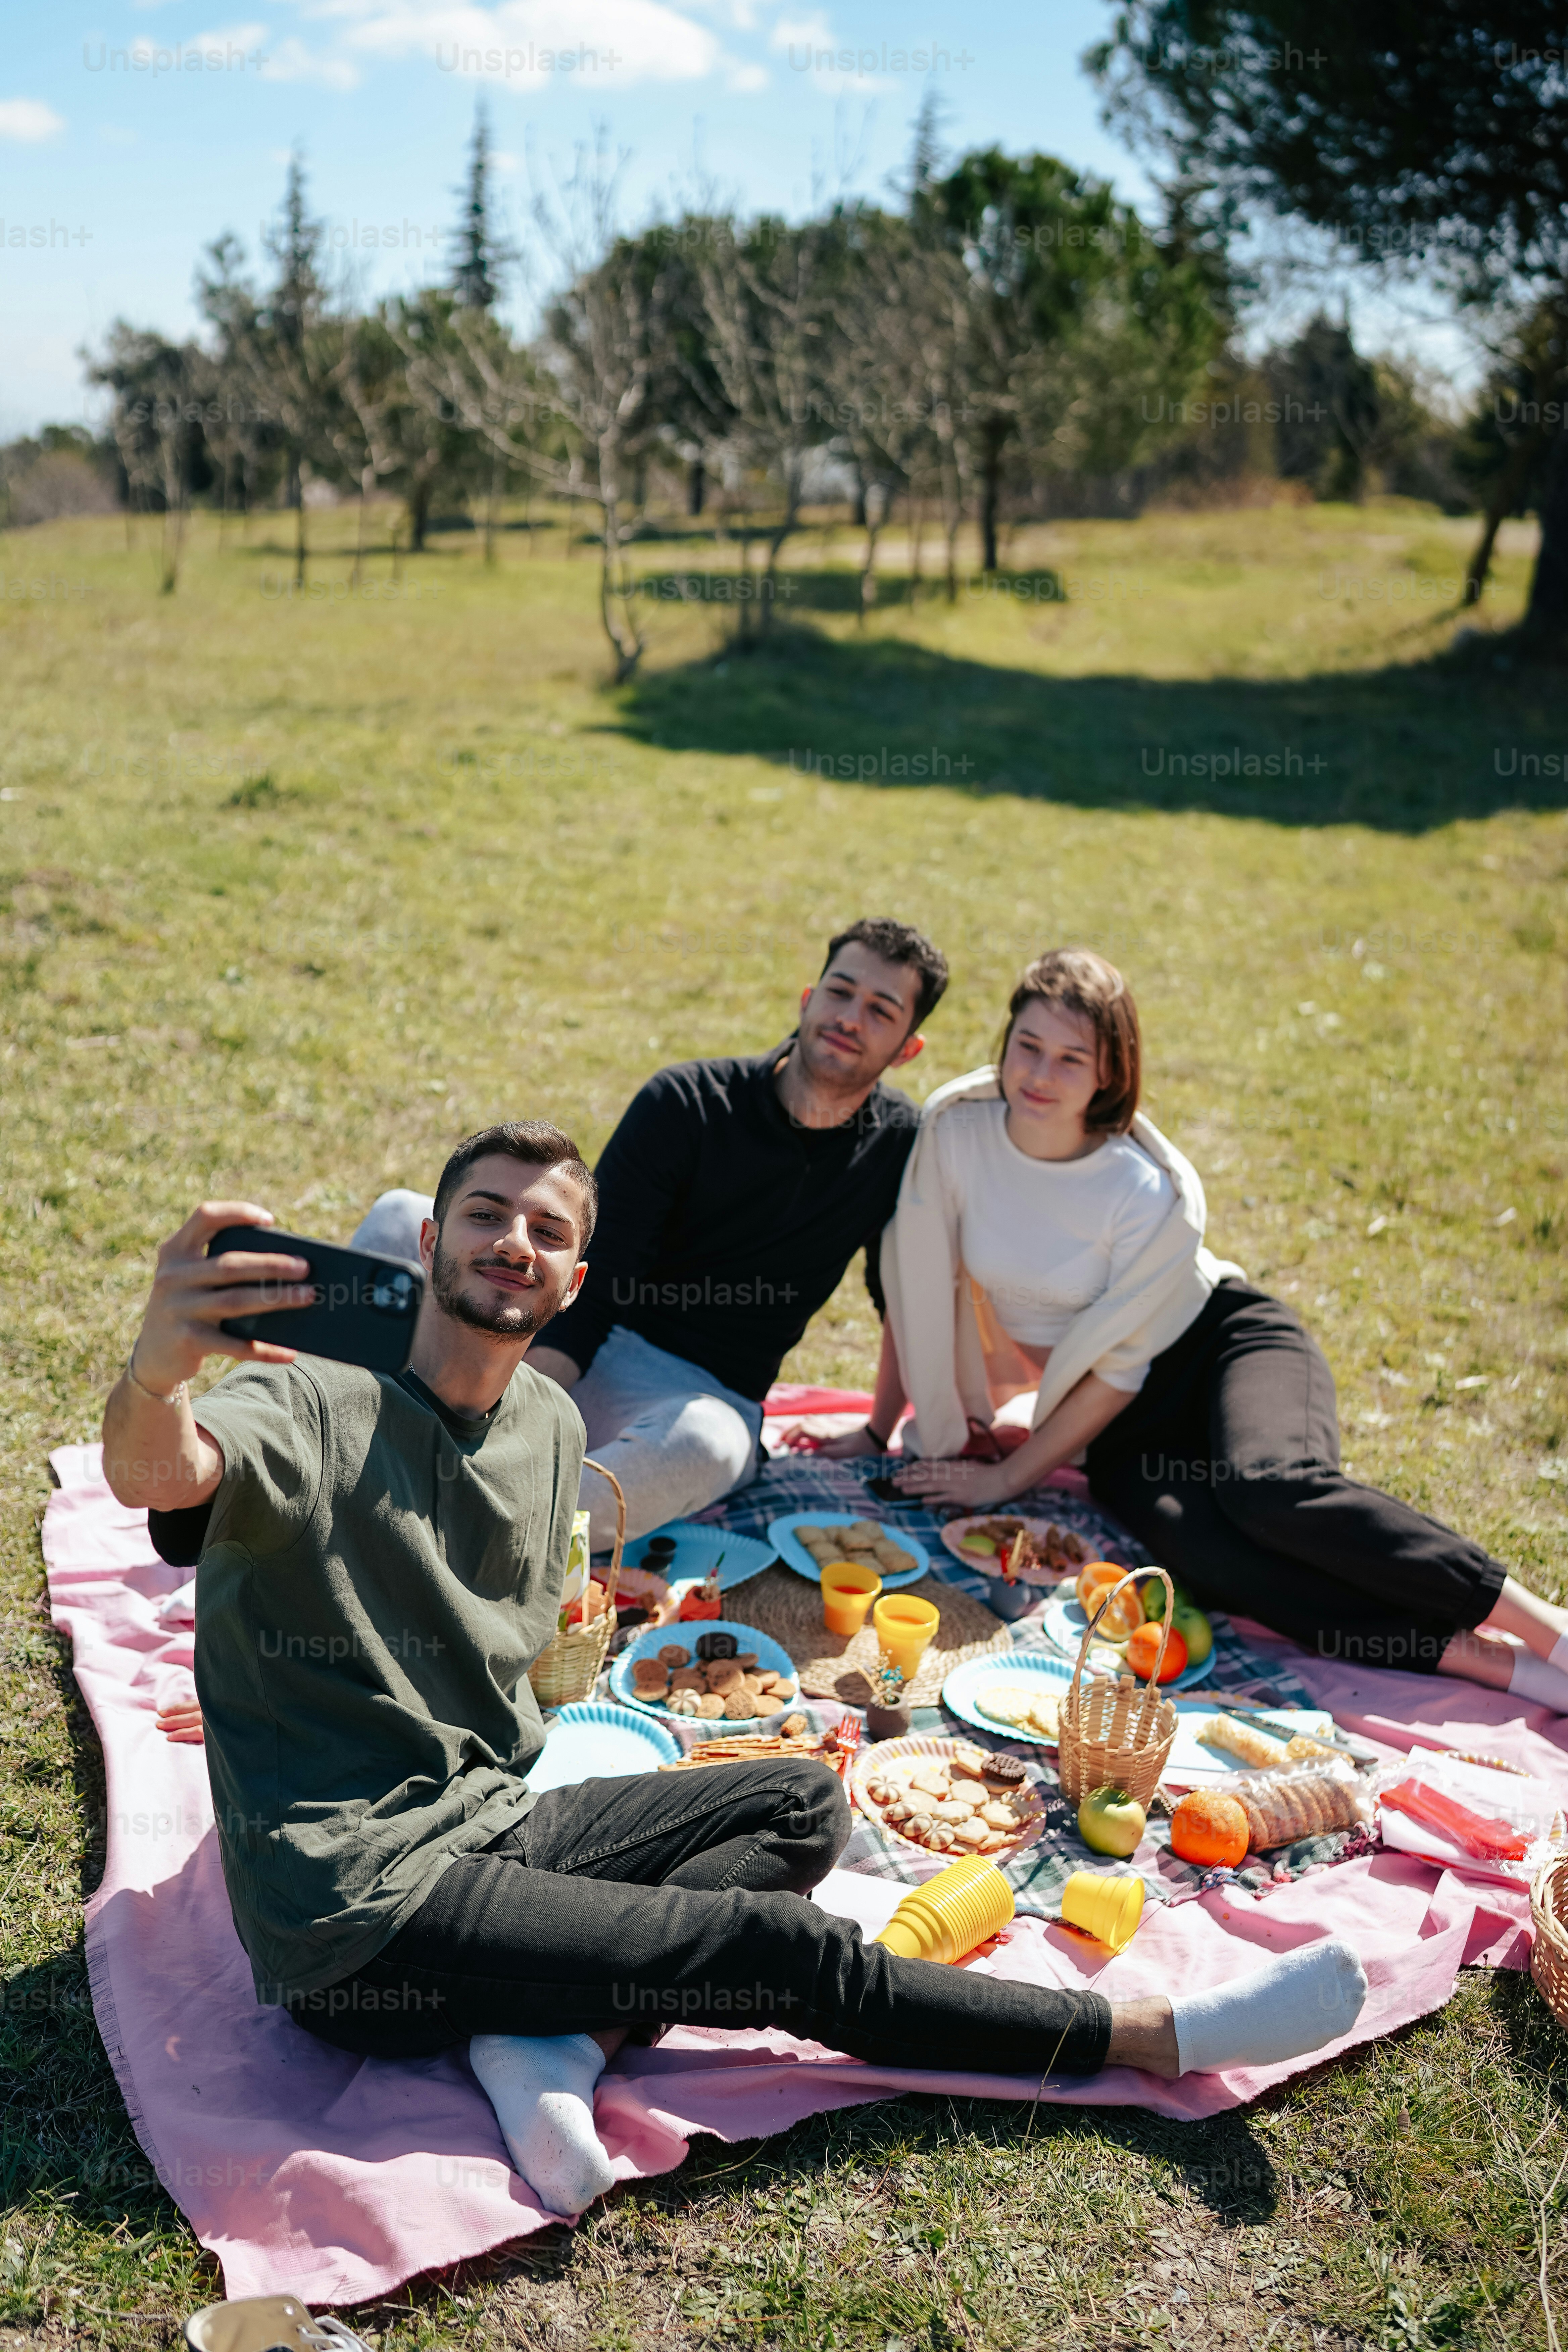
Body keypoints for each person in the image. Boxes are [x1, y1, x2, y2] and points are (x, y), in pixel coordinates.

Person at [100, 1120, 1369, 2222]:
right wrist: (159, 1371)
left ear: (575, 1277)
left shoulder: (547, 1423)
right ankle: (1149, 2036)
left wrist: (651, 1629)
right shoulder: (321, 1399)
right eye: (484, 1213)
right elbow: (168, 1473)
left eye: (546, 1227)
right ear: (429, 1238)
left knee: (800, 1799)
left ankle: (555, 2032)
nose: (512, 1240)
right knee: (767, 1943)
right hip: (359, 1910)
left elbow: (531, 1631)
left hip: (482, 1823)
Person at [842, 948, 1568, 1708]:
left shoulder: (1139, 1185)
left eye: (1069, 1058)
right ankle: (1488, 1663)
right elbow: (918, 1285)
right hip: (1123, 1429)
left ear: (1108, 1075)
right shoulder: (958, 1138)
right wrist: (879, 1426)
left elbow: (1121, 1366)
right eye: (1026, 1046)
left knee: (1265, 1490)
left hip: (1216, 1348)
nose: (1039, 1075)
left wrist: (1004, 1479)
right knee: (1213, 1561)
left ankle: (1545, 1628)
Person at [353, 919, 950, 1545]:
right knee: (401, 1216)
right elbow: (599, 1275)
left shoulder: (901, 1147)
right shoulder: (688, 1101)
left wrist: (881, 1432)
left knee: (710, 1444)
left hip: (692, 1396)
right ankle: (316, 1431)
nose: (850, 1018)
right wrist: (506, 1411)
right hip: (576, 1333)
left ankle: (474, 1537)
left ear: (908, 1048)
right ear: (809, 999)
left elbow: (904, 1301)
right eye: (840, 992)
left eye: (881, 1011)